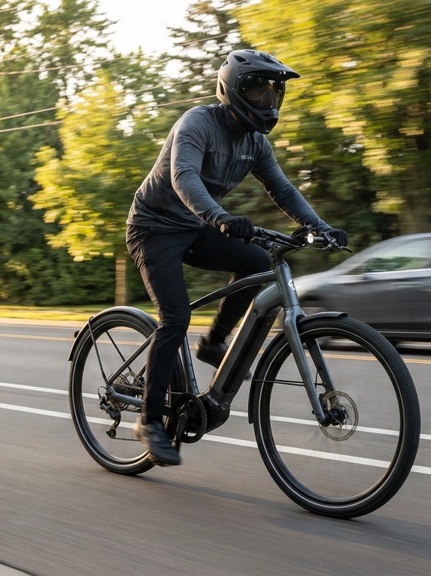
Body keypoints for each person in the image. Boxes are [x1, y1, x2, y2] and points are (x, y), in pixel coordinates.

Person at [126, 49, 347, 466]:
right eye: (258, 89)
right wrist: (220, 217)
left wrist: (320, 225)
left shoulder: (255, 142)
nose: (269, 100)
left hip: (196, 227)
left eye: (274, 91)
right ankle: (150, 421)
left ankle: (213, 344)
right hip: (154, 229)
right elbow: (183, 176)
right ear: (233, 90)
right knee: (174, 318)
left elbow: (283, 190)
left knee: (258, 263)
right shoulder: (198, 123)